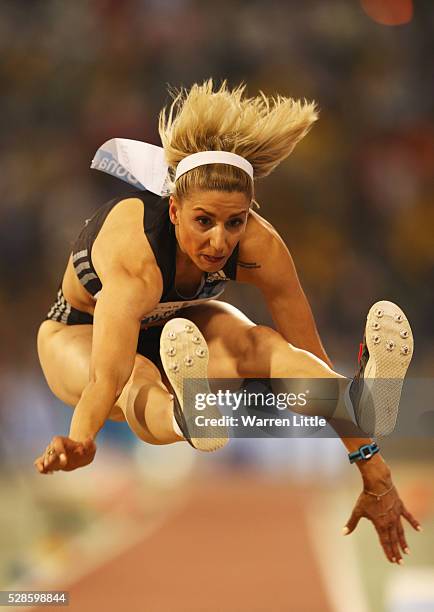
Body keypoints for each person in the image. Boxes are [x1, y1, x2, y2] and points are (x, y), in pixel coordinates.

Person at [35, 80, 420, 564]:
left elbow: (305, 356)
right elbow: (104, 377)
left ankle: (362, 397)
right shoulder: (136, 260)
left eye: (234, 223)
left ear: (248, 215)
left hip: (182, 329)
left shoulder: (260, 246)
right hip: (80, 332)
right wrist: (81, 439)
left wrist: (370, 462)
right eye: (203, 222)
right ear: (174, 210)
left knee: (259, 344)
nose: (219, 242)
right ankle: (187, 417)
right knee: (137, 377)